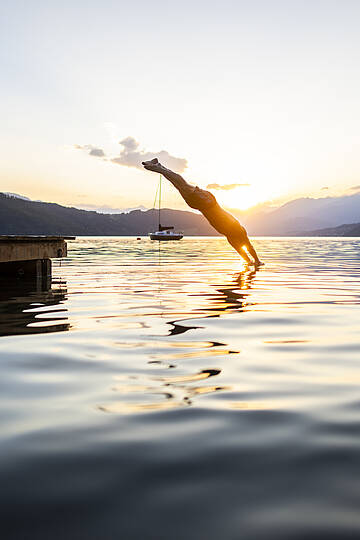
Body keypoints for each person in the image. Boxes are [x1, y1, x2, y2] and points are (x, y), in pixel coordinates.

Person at [142, 158, 263, 265]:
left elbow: (243, 250)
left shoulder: (230, 236)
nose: (240, 242)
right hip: (207, 202)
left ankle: (159, 167)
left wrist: (251, 261)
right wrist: (256, 261)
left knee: (180, 186)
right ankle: (159, 167)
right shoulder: (238, 231)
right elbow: (248, 247)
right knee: (183, 185)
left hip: (202, 205)